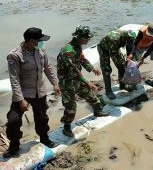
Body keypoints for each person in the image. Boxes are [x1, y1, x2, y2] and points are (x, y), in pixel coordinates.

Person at [3, 27, 60, 158]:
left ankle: (45, 139)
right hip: (23, 94)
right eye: (39, 40)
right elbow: (14, 79)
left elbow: (48, 68)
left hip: (39, 92)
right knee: (13, 121)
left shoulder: (40, 51)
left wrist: (55, 83)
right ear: (31, 40)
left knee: (42, 118)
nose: (41, 43)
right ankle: (14, 146)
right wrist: (20, 99)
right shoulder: (15, 55)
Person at [57, 25, 109, 137]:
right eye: (87, 38)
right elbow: (74, 70)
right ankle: (66, 127)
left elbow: (82, 59)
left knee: (91, 96)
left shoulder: (77, 46)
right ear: (79, 37)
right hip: (67, 83)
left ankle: (97, 111)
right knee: (70, 107)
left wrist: (92, 68)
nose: (88, 40)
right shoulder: (68, 51)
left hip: (77, 79)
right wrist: (88, 82)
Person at [97, 29, 136, 99]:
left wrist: (128, 60)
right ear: (125, 38)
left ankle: (122, 85)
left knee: (122, 65)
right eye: (129, 41)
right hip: (103, 48)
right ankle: (108, 91)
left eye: (131, 41)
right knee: (106, 70)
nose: (130, 42)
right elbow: (114, 55)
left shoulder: (128, 38)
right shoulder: (115, 40)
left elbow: (129, 50)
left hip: (115, 47)